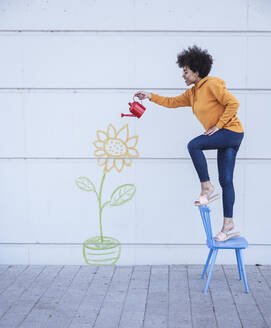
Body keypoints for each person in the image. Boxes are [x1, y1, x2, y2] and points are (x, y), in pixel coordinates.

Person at [134, 45, 244, 242]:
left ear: (196, 71)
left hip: (232, 132)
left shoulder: (211, 85)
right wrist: (150, 96)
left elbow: (233, 103)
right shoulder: (192, 93)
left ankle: (206, 188)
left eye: (185, 72)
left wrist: (218, 125)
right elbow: (171, 102)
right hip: (227, 136)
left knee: (194, 145)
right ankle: (229, 224)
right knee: (226, 180)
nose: (183, 75)